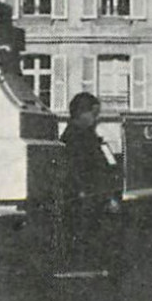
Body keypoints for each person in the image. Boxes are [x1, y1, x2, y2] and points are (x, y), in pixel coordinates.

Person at [60, 92, 122, 273]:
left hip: (91, 199)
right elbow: (86, 173)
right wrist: (106, 197)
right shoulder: (78, 138)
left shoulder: (83, 135)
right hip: (87, 201)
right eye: (94, 114)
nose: (96, 119)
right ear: (81, 113)